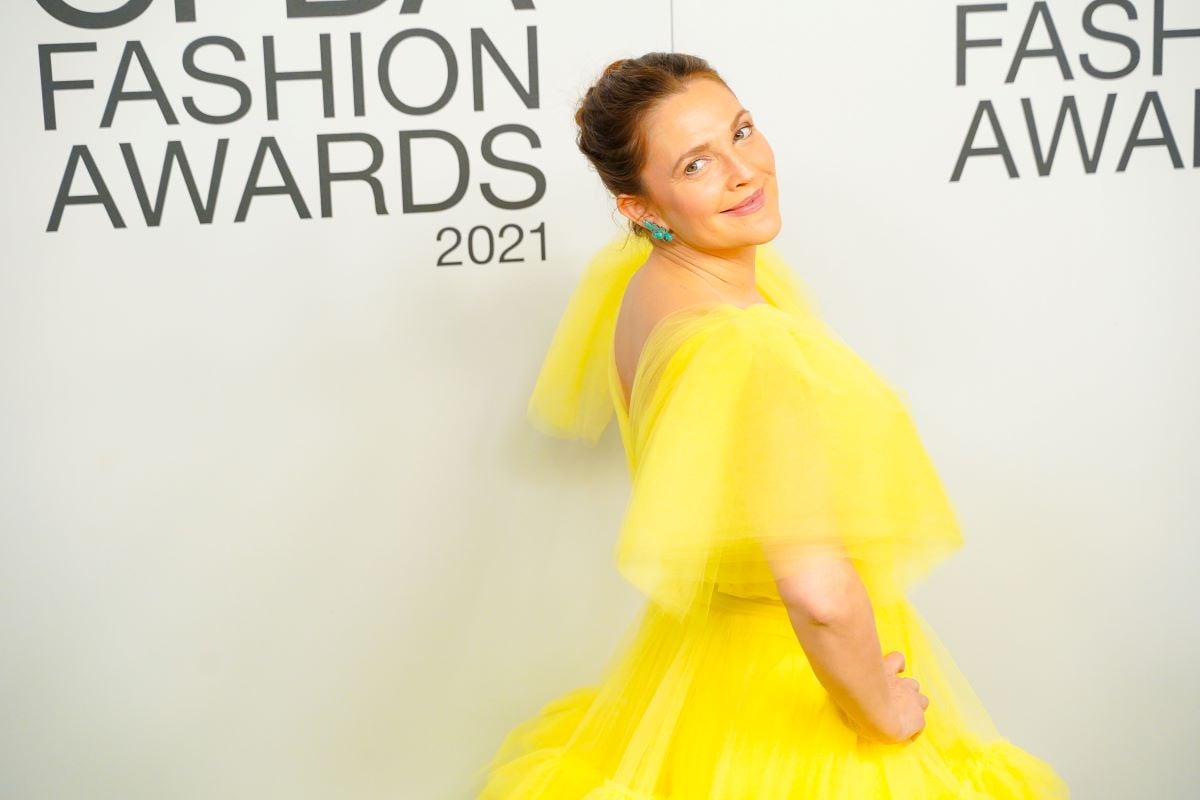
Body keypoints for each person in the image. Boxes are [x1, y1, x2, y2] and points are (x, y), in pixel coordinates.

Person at [473, 52, 1070, 798]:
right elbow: (818, 590)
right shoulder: (745, 347)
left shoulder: (644, 289)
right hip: (798, 691)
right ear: (643, 207)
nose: (744, 170)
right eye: (696, 165)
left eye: (742, 132)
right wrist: (882, 710)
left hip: (703, 673)